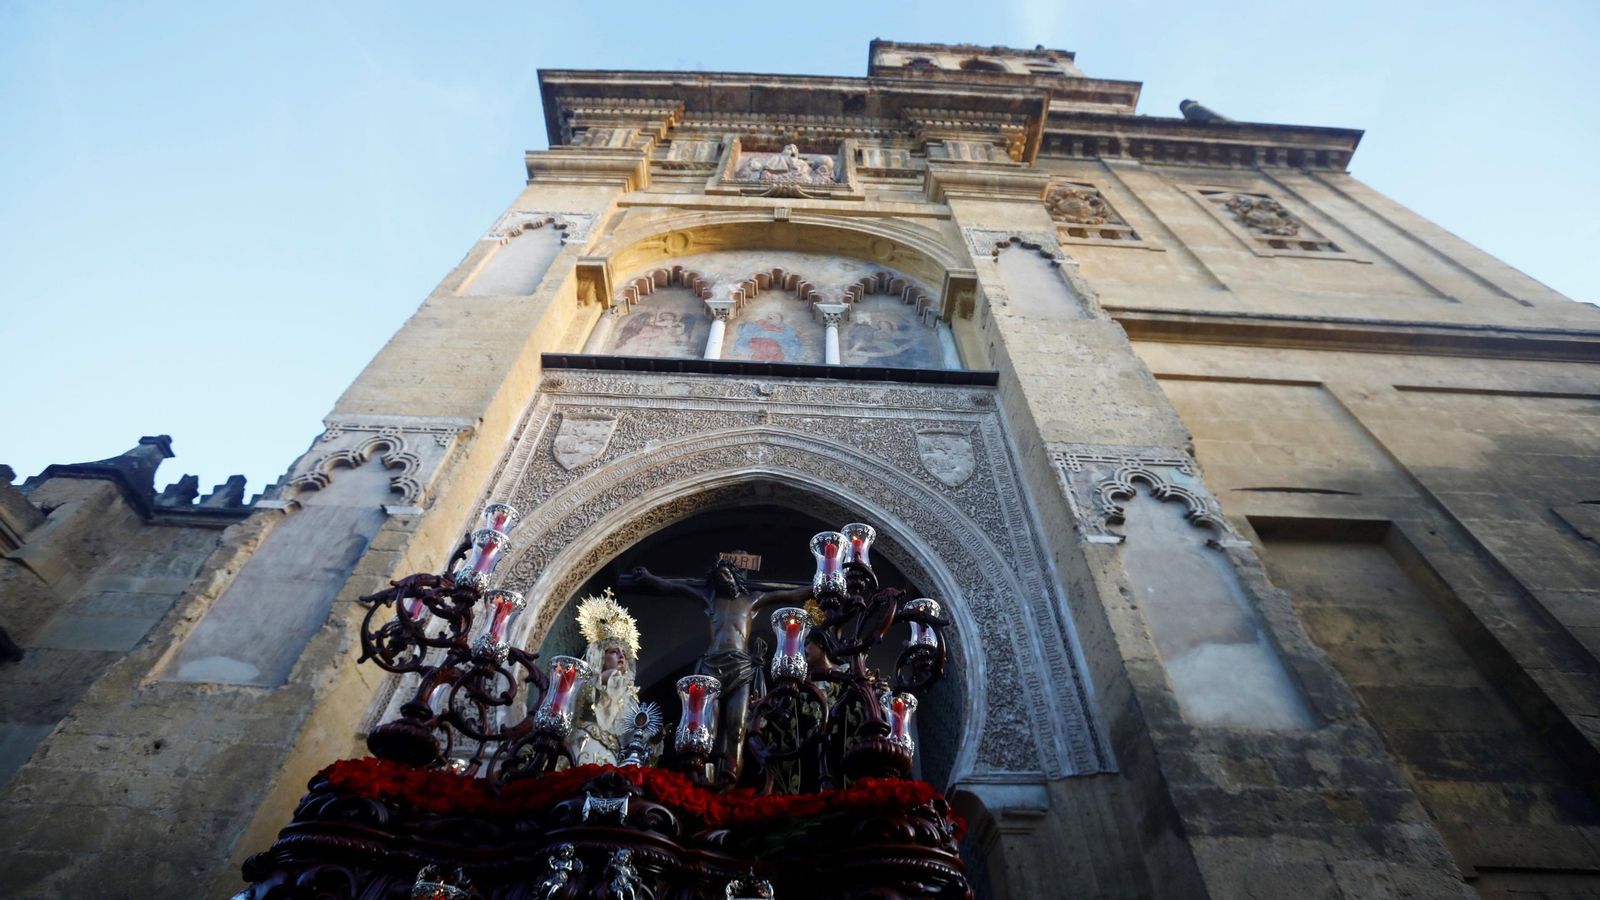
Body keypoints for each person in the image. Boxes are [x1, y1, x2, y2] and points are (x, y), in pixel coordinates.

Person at [619, 559, 812, 785]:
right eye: (719, 578)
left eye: (727, 576)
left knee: (737, 726)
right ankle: (703, 779)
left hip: (740, 666)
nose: (724, 580)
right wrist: (652, 579)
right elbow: (677, 587)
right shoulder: (711, 600)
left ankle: (729, 781)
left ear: (736, 578)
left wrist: (819, 586)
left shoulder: (752, 600)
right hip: (711, 665)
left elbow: (790, 594)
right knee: (705, 727)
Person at [571, 589, 642, 767]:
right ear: (601, 656)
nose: (621, 657)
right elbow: (572, 705)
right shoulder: (584, 680)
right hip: (584, 744)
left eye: (624, 654)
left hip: (612, 756)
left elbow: (630, 734)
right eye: (614, 652)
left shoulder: (628, 694)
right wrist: (601, 681)